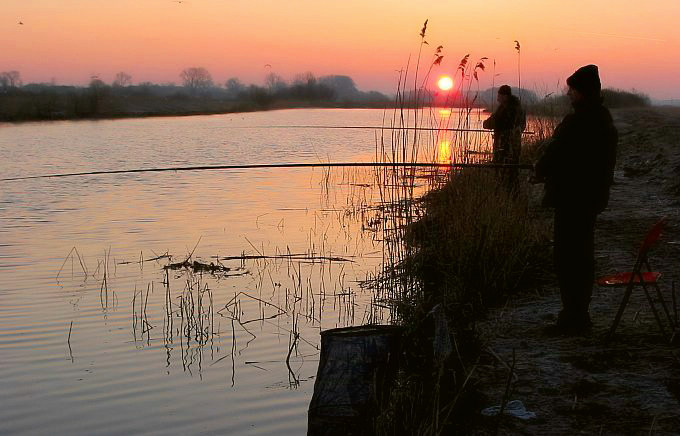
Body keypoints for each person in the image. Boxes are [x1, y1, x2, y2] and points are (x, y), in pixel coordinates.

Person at [534, 64, 618, 334]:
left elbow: (558, 155)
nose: (568, 93)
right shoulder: (603, 119)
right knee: (581, 256)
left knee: (568, 259)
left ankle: (573, 318)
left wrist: (540, 171)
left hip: (573, 200)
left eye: (572, 89)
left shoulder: (579, 121)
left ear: (583, 92)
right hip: (591, 199)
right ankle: (577, 315)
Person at [483, 85, 526, 165]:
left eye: (499, 95)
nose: (497, 98)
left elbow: (492, 123)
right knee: (513, 168)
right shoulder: (520, 109)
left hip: (503, 146)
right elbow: (523, 126)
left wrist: (486, 123)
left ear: (505, 96)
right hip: (516, 146)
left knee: (501, 168)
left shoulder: (505, 109)